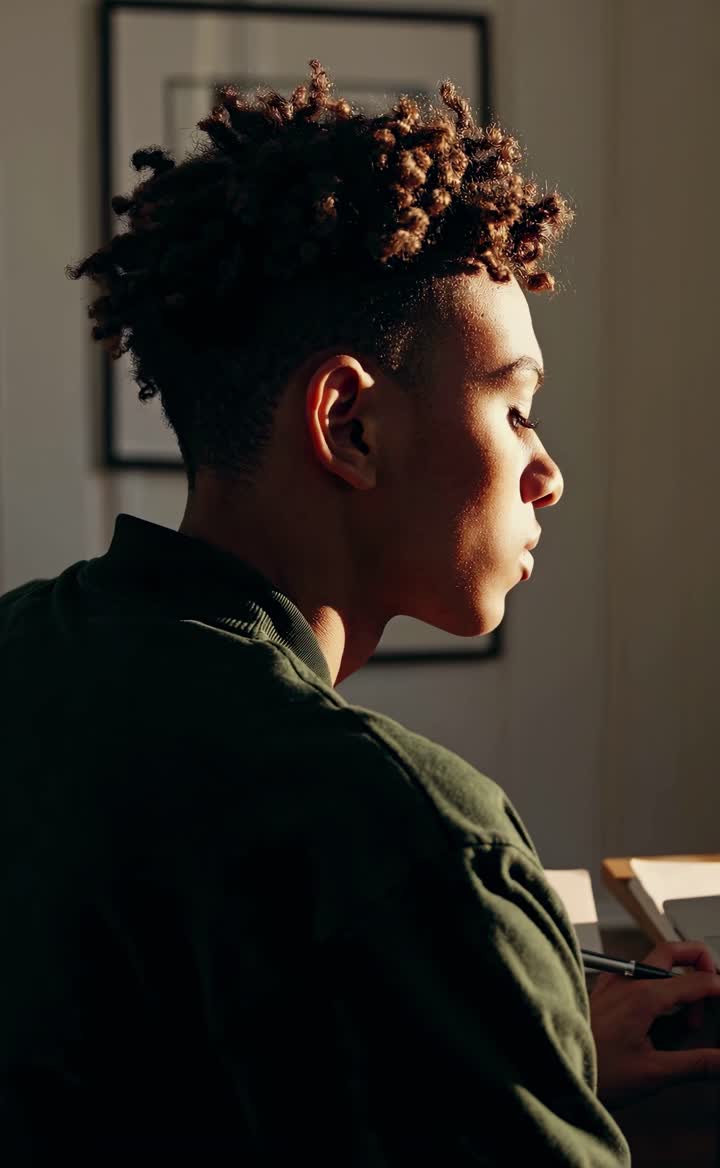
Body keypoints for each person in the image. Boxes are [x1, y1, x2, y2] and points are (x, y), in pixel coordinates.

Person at [1, 60, 719, 1164]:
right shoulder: (413, 835)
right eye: (516, 408)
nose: (549, 474)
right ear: (351, 426)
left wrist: (529, 1029)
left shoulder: (25, 648)